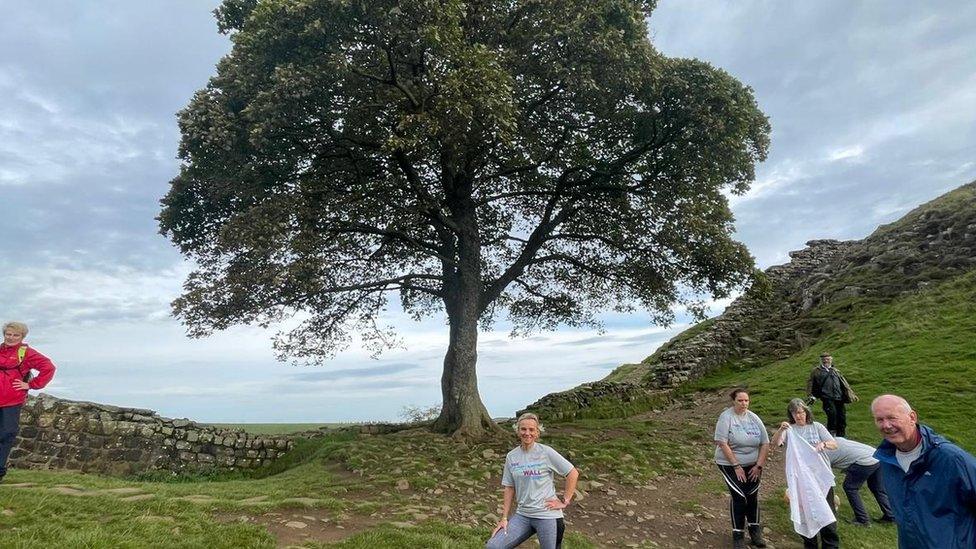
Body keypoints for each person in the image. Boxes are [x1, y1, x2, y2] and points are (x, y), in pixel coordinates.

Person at [871, 394, 976, 548]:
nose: (886, 425)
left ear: (912, 417)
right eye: (880, 419)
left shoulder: (951, 458)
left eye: (892, 418)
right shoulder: (887, 460)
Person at [486, 412, 579, 549]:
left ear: (537, 433)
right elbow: (509, 487)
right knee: (493, 546)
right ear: (518, 431)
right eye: (523, 429)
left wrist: (564, 501)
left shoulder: (546, 452)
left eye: (531, 430)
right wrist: (504, 518)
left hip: (547, 515)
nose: (527, 433)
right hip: (523, 515)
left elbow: (572, 473)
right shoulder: (511, 456)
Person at [772, 398, 839, 549]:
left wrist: (824, 444)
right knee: (806, 512)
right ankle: (810, 544)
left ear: (806, 412)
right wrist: (781, 429)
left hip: (820, 476)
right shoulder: (790, 429)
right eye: (794, 413)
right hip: (801, 479)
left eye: (801, 412)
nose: (798, 416)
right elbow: (776, 443)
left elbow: (834, 444)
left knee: (827, 511)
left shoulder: (817, 427)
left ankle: (831, 545)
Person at [714, 388, 770, 548]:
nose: (744, 403)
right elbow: (722, 443)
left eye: (746, 400)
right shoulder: (726, 417)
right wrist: (736, 465)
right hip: (729, 462)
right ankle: (738, 534)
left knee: (752, 496)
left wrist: (759, 465)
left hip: (753, 463)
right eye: (740, 400)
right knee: (739, 497)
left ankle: (755, 531)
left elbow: (765, 443)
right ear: (733, 401)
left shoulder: (754, 418)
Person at [0, 321, 56, 481]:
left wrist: (31, 384)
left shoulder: (26, 353)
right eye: (8, 334)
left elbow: (48, 367)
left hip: (11, 401)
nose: (11, 338)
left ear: (22, 336)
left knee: (5, 435)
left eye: (15, 335)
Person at [825, 436, 895, 526]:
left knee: (850, 487)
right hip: (877, 456)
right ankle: (891, 516)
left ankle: (862, 519)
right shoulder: (833, 439)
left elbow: (825, 477)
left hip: (864, 461)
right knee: (877, 488)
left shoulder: (822, 452)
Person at [806, 352, 857, 436]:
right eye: (824, 359)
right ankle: (831, 434)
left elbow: (844, 384)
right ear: (821, 360)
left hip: (839, 398)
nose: (826, 361)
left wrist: (851, 394)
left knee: (842, 417)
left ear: (831, 360)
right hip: (827, 397)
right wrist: (810, 395)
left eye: (828, 359)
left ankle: (841, 436)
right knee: (832, 416)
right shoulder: (816, 371)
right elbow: (810, 383)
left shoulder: (836, 371)